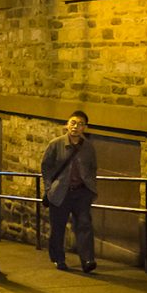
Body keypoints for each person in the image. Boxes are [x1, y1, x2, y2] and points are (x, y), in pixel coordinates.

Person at [41, 110, 98, 273]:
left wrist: (90, 187)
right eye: (73, 122)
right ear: (67, 124)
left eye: (80, 124)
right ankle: (59, 258)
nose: (76, 127)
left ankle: (87, 259)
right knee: (58, 226)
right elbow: (46, 166)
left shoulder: (88, 147)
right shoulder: (56, 144)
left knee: (84, 225)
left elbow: (92, 167)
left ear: (85, 128)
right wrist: (49, 187)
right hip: (60, 192)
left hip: (81, 192)